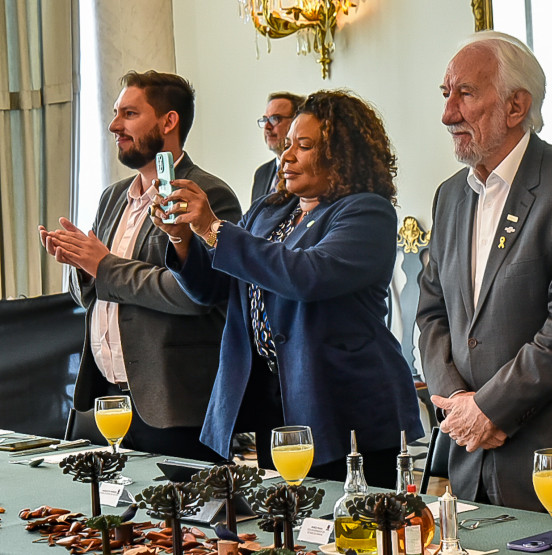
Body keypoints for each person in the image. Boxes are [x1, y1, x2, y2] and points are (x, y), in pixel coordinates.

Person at [151, 90, 423, 488]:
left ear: (341, 154)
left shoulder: (366, 211)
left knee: (351, 531)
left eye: (305, 145)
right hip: (274, 400)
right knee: (288, 527)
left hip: (342, 404)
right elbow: (213, 289)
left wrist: (214, 227)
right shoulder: (269, 210)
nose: (287, 156)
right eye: (288, 143)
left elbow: (306, 275)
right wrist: (182, 239)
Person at [417, 31, 552, 514]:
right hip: (469, 458)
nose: (448, 113)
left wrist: (489, 408)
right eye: (446, 94)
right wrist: (456, 401)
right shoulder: (450, 195)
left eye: (465, 94)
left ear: (516, 107)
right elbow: (431, 313)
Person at [38, 70, 242, 460]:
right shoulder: (113, 197)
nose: (114, 125)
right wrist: (81, 265)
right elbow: (93, 293)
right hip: (108, 401)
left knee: (178, 522)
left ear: (169, 122)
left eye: (129, 114)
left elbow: (194, 294)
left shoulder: (207, 193)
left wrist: (104, 266)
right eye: (116, 113)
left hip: (173, 408)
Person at [251, 92, 305, 202]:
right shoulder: (261, 173)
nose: (267, 127)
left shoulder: (306, 171)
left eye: (275, 119)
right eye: (265, 119)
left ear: (296, 121)